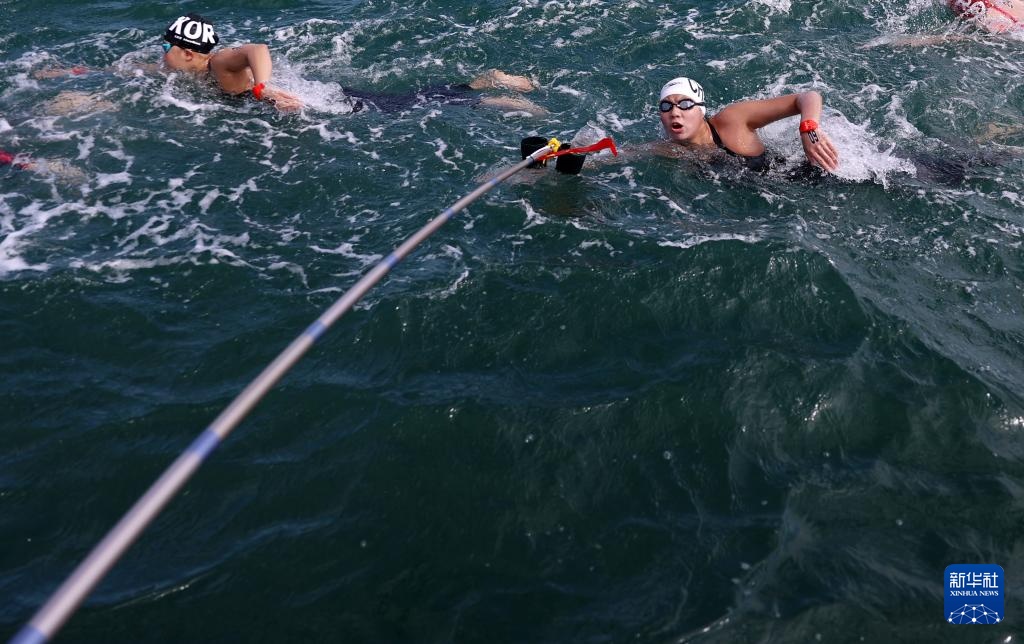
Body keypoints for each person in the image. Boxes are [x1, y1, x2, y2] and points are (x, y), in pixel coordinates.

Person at [655, 76, 839, 173]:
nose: (674, 112)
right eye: (666, 106)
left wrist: (809, 129)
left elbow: (808, 97)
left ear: (701, 110)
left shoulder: (732, 119)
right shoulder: (671, 150)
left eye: (685, 104)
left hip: (818, 174)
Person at [161, 13, 303, 112]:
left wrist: (263, 88)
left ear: (187, 54)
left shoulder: (218, 63)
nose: (163, 54)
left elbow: (258, 49)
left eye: (166, 47)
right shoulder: (190, 70)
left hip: (283, 104)